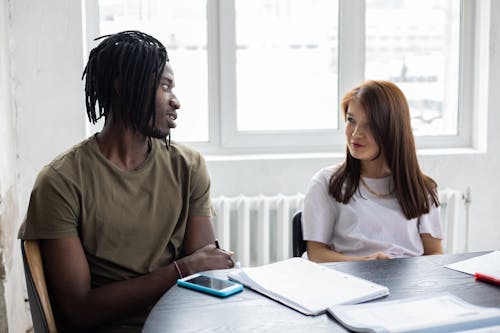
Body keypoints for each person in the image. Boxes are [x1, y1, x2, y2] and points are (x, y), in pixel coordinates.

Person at [18, 30, 234, 332]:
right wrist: (181, 269)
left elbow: (206, 275)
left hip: (181, 324)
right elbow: (80, 310)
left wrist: (193, 271)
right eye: (164, 86)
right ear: (123, 86)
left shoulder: (188, 166)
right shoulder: (60, 181)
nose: (177, 102)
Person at [302, 80, 443, 262]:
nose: (356, 133)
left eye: (369, 125)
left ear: (391, 131)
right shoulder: (326, 182)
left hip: (409, 286)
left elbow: (435, 254)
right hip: (350, 283)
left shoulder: (422, 188)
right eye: (351, 120)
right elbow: (316, 254)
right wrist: (367, 264)